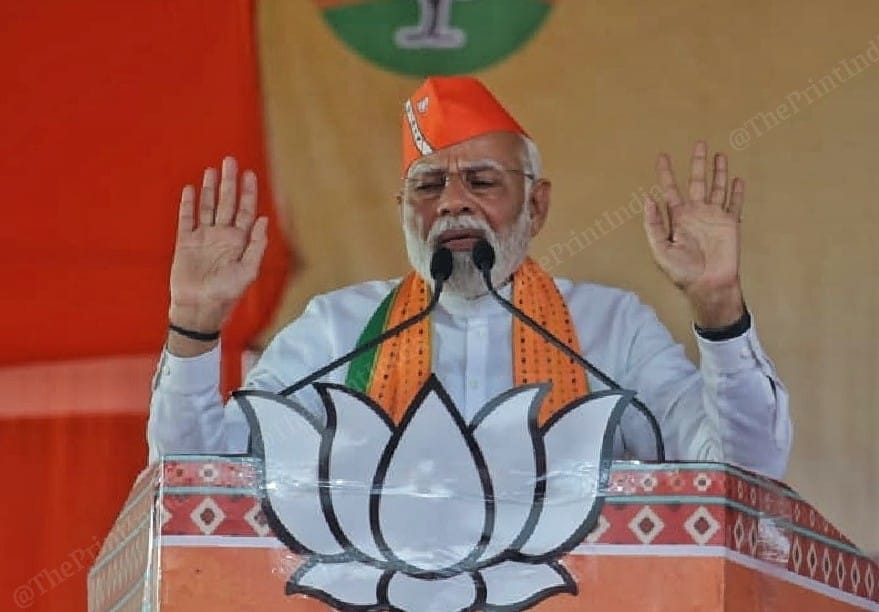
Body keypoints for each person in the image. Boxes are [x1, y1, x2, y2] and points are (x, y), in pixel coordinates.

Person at [147, 76, 791, 478]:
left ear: (536, 206)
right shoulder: (337, 331)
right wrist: (194, 331)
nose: (452, 202)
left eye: (481, 181)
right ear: (404, 210)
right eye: (428, 186)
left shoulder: (610, 327)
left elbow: (746, 470)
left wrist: (720, 311)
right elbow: (197, 476)